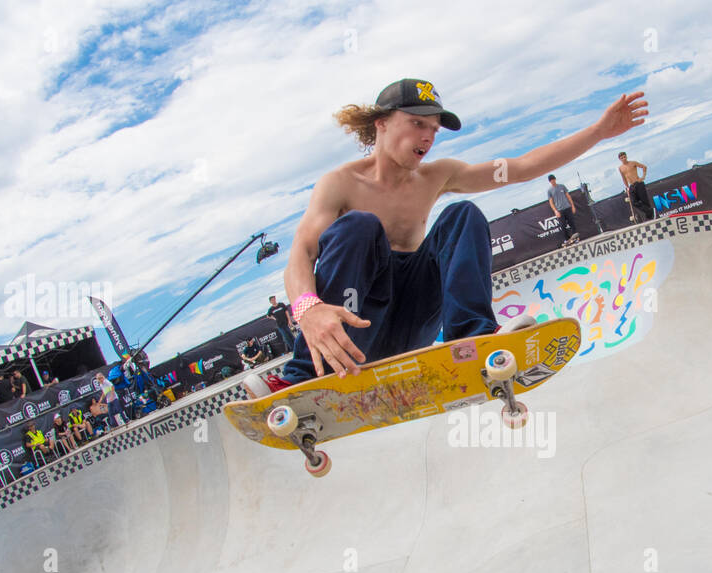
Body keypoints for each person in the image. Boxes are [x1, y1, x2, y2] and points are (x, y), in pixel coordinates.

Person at [272, 78, 644, 389]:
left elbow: (521, 167)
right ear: (381, 122)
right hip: (353, 333)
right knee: (359, 226)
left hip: (414, 320)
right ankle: (303, 377)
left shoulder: (439, 175)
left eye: (434, 129)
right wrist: (308, 309)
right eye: (418, 123)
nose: (428, 137)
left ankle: (472, 338)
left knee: (462, 214)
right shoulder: (340, 183)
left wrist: (599, 132)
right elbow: (300, 255)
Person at [618, 152, 653, 221]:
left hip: (638, 183)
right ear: (620, 159)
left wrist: (643, 176)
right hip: (631, 185)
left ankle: (650, 217)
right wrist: (627, 187)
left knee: (644, 200)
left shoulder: (633, 163)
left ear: (626, 157)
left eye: (624, 157)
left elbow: (644, 167)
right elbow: (624, 178)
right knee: (634, 202)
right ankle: (650, 211)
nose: (623, 159)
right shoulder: (620, 168)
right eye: (622, 158)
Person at [546, 174, 580, 244]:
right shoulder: (549, 190)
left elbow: (568, 196)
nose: (553, 181)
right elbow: (551, 202)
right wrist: (555, 211)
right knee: (563, 226)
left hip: (567, 207)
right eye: (551, 181)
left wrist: (572, 206)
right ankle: (567, 240)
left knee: (572, 224)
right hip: (559, 210)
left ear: (555, 179)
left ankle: (576, 238)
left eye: (553, 180)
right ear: (549, 182)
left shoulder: (562, 186)